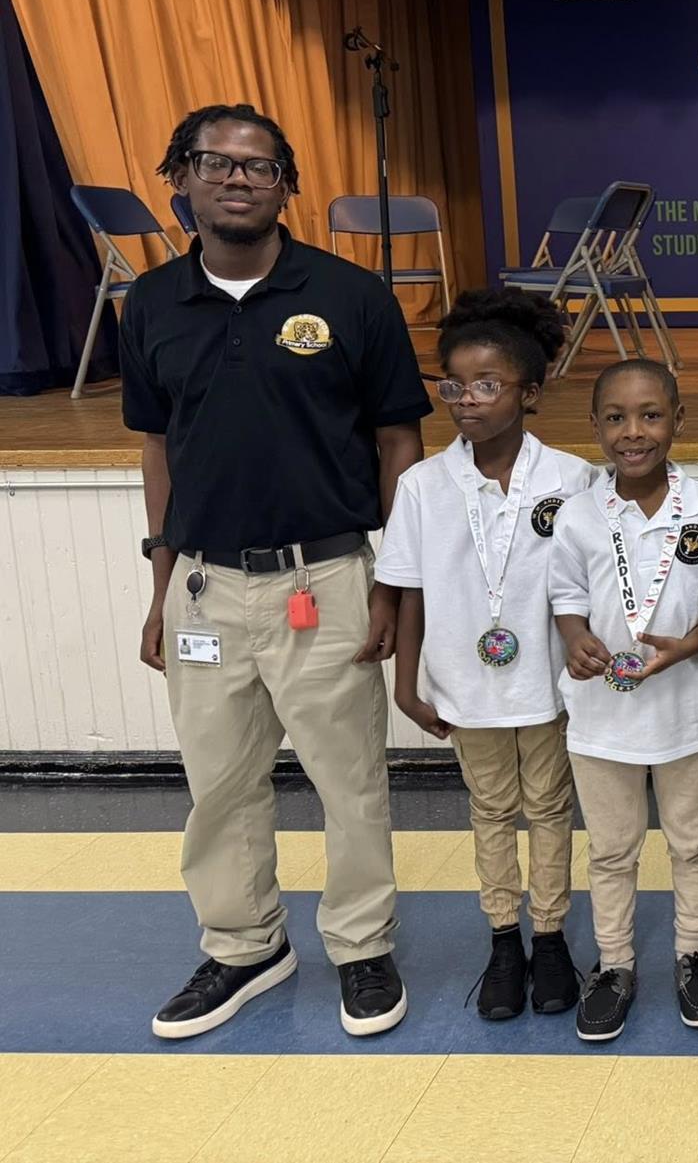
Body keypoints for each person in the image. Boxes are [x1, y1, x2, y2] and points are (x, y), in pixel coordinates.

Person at [124, 103, 429, 1039]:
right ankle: (244, 943)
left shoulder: (350, 296)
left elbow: (398, 443)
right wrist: (160, 586)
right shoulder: (151, 305)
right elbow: (158, 451)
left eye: (260, 166)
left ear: (285, 186)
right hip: (206, 586)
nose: (238, 178)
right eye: (216, 162)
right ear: (182, 177)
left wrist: (393, 584)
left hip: (327, 577)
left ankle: (362, 943)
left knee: (350, 778)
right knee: (218, 782)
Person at [375, 289, 597, 1022]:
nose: (466, 400)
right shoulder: (422, 484)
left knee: (551, 807)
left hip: (548, 681)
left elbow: (590, 587)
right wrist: (407, 685)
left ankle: (553, 932)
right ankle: (505, 936)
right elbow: (407, 590)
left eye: (487, 384)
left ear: (529, 392)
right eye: (454, 385)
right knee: (492, 809)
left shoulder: (572, 479)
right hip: (465, 683)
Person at [548, 358, 698, 1044]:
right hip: (601, 718)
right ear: (593, 426)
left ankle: (694, 952)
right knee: (611, 849)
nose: (634, 432)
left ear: (679, 421)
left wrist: (691, 644)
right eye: (617, 418)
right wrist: (574, 635)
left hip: (687, 715)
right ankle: (616, 963)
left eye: (651, 415)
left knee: (694, 842)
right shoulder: (577, 515)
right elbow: (565, 595)